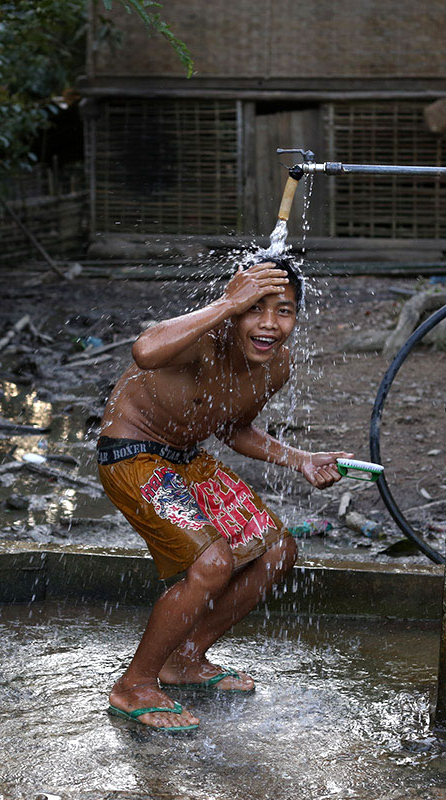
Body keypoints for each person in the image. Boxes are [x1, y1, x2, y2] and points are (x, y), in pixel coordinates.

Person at [98, 255, 350, 732]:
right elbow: (145, 350)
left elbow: (233, 428)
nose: (269, 324)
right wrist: (227, 304)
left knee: (277, 551)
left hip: (186, 460)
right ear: (235, 307)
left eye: (284, 311)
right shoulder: (203, 336)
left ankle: (186, 658)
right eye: (256, 308)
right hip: (131, 455)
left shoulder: (276, 366)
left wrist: (299, 458)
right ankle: (134, 685)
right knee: (212, 563)